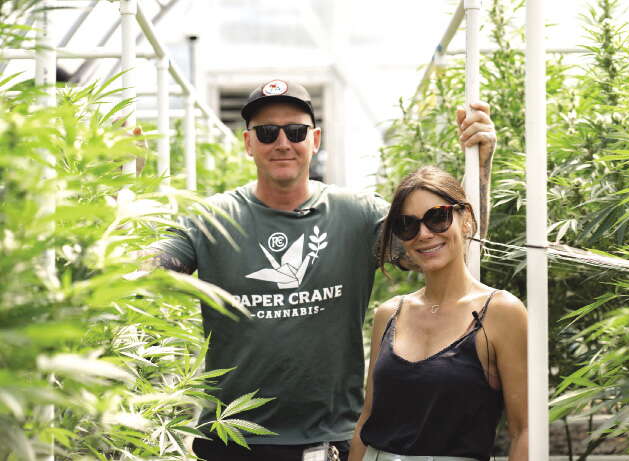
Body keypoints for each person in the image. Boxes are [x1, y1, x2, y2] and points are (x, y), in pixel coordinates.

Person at [151, 79, 498, 461]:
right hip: (229, 438)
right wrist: (118, 195)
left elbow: (451, 247)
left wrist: (480, 165)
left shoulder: (358, 213)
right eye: (267, 133)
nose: (282, 143)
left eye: (295, 131)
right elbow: (144, 274)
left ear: (314, 139)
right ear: (249, 143)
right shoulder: (210, 220)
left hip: (329, 439)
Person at [348, 166, 528, 461]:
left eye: (437, 217)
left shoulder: (501, 312)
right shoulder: (389, 314)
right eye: (407, 225)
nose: (424, 234)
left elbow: (524, 431)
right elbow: (366, 420)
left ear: (465, 219)